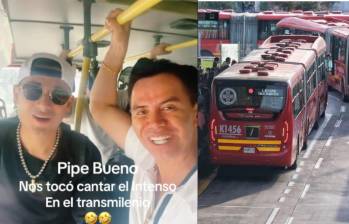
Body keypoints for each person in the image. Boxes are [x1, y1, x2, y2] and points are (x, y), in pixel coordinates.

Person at [90, 9, 197, 224]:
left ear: (196, 113)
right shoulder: (148, 158)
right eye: (141, 111)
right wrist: (118, 45)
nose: (154, 123)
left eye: (169, 108)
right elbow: (100, 106)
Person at [0, 53, 102, 223]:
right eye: (33, 91)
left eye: (59, 95)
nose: (43, 105)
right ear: (16, 95)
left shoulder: (84, 153)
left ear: (68, 105)